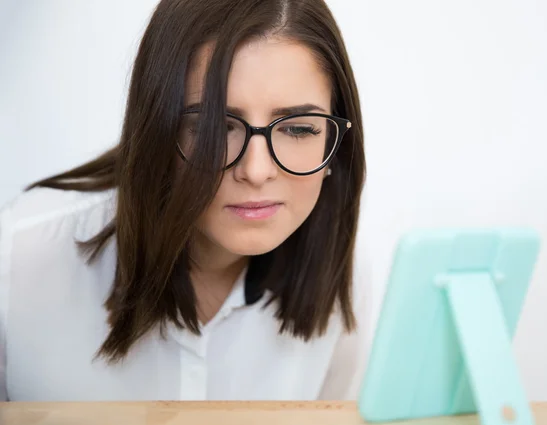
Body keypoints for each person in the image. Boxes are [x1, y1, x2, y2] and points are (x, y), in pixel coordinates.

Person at [0, 0, 372, 402]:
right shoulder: (19, 258)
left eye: (298, 128)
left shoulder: (343, 276)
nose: (257, 170)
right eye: (213, 126)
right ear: (157, 128)